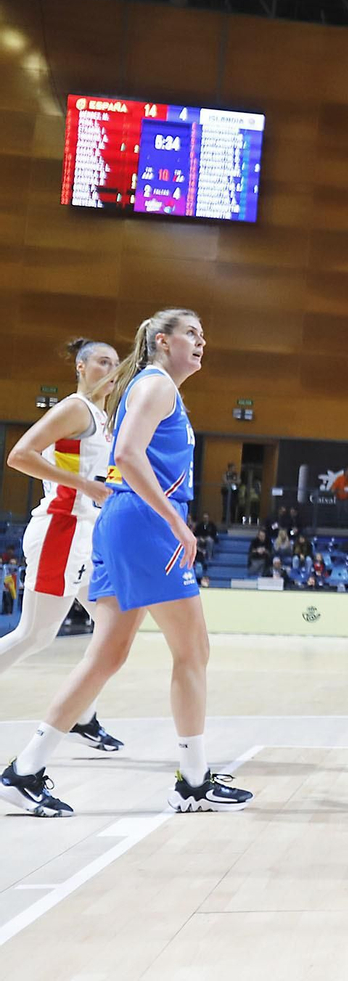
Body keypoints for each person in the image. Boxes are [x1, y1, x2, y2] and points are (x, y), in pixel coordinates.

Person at [1, 310, 253, 818]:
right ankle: (194, 780)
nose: (202, 341)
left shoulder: (151, 387)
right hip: (144, 523)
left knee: (109, 653)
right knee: (193, 650)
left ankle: (25, 770)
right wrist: (177, 523)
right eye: (192, 333)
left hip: (122, 519)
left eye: (204, 334)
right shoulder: (157, 385)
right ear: (163, 340)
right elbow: (130, 455)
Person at [0, 338, 125, 753]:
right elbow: (19, 455)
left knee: (114, 625)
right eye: (101, 362)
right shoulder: (74, 408)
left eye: (115, 363)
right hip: (61, 531)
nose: (110, 369)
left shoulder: (103, 419)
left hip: (87, 536)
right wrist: (86, 485)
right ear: (81, 367)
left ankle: (82, 716)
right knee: (34, 635)